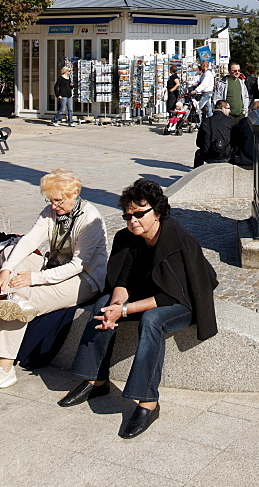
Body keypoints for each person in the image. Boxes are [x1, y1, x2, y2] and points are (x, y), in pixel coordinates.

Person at [58, 179, 217, 439]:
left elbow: (169, 296)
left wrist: (124, 311)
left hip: (183, 300)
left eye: (139, 214)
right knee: (102, 303)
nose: (133, 220)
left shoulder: (175, 240)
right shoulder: (127, 238)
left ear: (157, 212)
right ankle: (96, 381)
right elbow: (121, 281)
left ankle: (148, 402)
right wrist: (117, 305)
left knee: (153, 320)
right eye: (128, 215)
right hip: (150, 295)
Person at [0, 170, 107, 390]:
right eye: (50, 200)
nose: (54, 205)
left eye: (59, 200)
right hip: (54, 266)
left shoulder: (90, 219)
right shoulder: (50, 212)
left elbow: (78, 265)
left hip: (83, 280)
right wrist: (8, 269)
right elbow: (30, 240)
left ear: (74, 193)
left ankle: (5, 368)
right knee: (11, 250)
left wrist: (34, 278)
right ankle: (16, 298)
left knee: (21, 298)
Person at [216, 61, 253, 166]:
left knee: (241, 136)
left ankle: (239, 156)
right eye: (234, 71)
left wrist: (245, 109)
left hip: (240, 113)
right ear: (229, 71)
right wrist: (222, 111)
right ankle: (229, 156)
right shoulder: (222, 82)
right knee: (229, 137)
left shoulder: (241, 82)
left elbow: (245, 96)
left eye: (238, 70)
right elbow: (217, 98)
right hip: (228, 115)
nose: (237, 72)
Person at [194, 100, 235, 168]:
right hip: (226, 156)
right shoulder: (230, 121)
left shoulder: (206, 121)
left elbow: (198, 142)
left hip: (207, 155)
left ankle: (195, 172)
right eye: (228, 108)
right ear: (223, 108)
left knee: (198, 152)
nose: (230, 111)